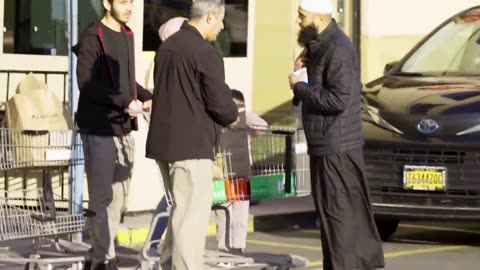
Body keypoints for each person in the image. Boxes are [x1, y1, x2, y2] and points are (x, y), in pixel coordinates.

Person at [288, 1, 385, 270]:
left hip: (337, 147)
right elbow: (317, 89)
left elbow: (337, 100)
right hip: (326, 144)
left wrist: (301, 88)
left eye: (302, 16)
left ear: (319, 18)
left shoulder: (338, 48)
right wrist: (301, 75)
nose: (298, 21)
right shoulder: (318, 46)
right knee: (334, 218)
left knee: (340, 217)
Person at [146, 0, 239, 269]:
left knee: (180, 213)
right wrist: (232, 117)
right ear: (209, 17)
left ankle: (167, 265)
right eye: (221, 20)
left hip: (164, 144)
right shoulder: (204, 52)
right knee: (191, 220)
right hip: (191, 147)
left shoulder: (167, 48)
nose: (222, 26)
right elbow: (219, 102)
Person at [73, 0, 153, 269]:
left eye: (132, 2)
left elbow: (127, 81)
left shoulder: (127, 34)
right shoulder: (93, 35)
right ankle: (102, 259)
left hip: (123, 127)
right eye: (123, 1)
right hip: (99, 127)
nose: (130, 7)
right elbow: (85, 82)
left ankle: (103, 252)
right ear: (107, 3)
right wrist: (124, 101)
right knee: (103, 197)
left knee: (119, 197)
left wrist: (145, 96)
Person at [144, 16, 188, 253]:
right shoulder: (166, 59)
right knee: (175, 198)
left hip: (175, 139)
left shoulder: (171, 58)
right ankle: (157, 246)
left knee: (176, 198)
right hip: (175, 140)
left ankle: (164, 246)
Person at [214, 90, 268, 259]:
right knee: (226, 213)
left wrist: (245, 115)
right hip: (227, 175)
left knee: (233, 213)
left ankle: (232, 247)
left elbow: (262, 127)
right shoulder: (224, 121)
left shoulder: (242, 122)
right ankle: (228, 247)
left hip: (234, 175)